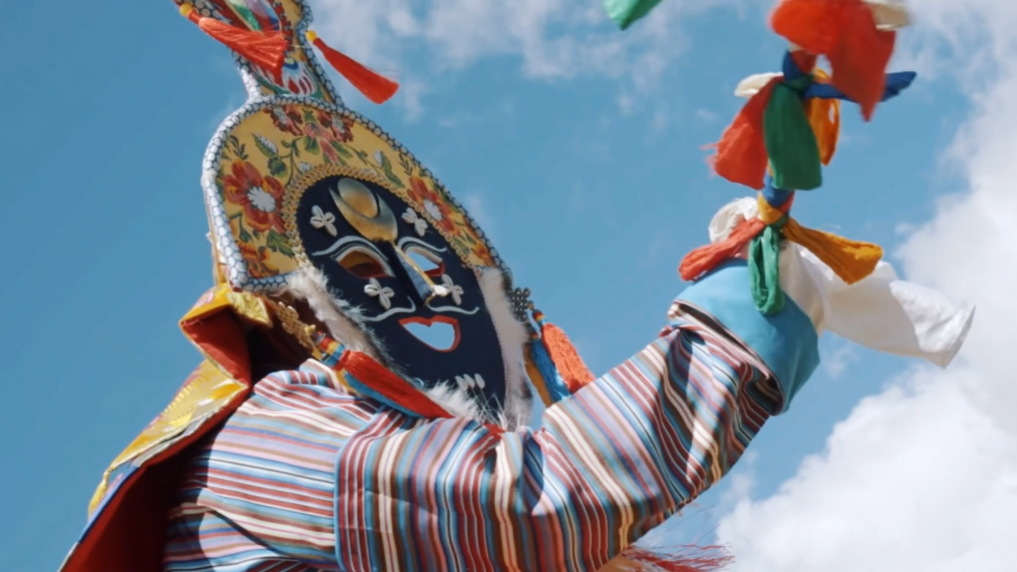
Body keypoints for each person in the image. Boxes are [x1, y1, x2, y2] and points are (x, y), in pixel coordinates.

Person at [58, 1, 971, 571]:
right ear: (295, 298)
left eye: (435, 267)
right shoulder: (266, 441)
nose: (426, 292)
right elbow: (531, 502)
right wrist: (749, 310)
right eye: (367, 270)